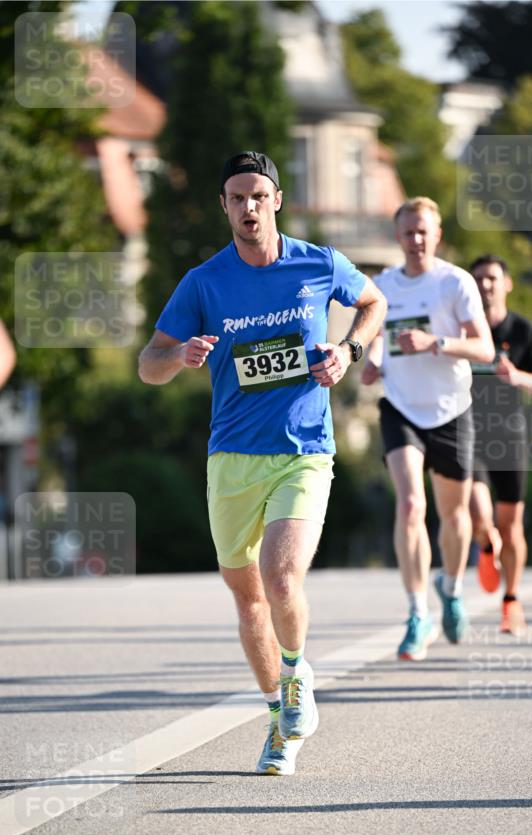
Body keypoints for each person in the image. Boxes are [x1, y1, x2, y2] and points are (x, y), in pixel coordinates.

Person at [138, 151, 387, 774]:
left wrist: (349, 351)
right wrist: (180, 356)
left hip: (304, 451)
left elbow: (374, 302)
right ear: (223, 207)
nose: (248, 208)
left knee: (281, 580)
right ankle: (278, 716)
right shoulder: (203, 282)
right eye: (236, 198)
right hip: (230, 458)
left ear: (276, 200)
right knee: (248, 597)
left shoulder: (319, 262)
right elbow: (148, 362)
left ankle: (298, 676)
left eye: (258, 196)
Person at [361, 197, 495, 660]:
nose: (415, 240)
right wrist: (374, 363)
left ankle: (452, 588)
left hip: (451, 410)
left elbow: (485, 349)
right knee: (411, 504)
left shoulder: (455, 283)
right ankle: (418, 614)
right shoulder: (382, 287)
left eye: (423, 232)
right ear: (397, 237)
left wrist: (435, 342)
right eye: (407, 232)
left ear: (436, 236)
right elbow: (376, 339)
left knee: (455, 517)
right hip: (400, 407)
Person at [468, 255, 532, 635]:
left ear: (507, 283)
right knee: (478, 515)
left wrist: (518, 376)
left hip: (509, 433)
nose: (486, 285)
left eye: (492, 278)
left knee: (512, 523)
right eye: (479, 280)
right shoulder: (463, 327)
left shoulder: (522, 330)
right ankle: (487, 546)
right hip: (467, 431)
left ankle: (511, 601)